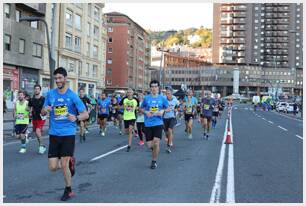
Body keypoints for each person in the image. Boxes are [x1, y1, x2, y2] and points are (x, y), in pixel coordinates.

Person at [41, 67, 88, 201]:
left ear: (65, 79)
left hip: (68, 133)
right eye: (56, 78)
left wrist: (76, 118)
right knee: (53, 167)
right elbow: (43, 112)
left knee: (64, 164)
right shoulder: (50, 94)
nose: (58, 81)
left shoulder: (72, 96)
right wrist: (46, 109)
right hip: (54, 134)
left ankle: (68, 190)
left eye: (60, 78)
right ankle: (71, 163)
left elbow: (85, 114)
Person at [140, 80, 168, 169]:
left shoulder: (162, 98)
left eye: (155, 86)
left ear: (158, 88)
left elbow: (168, 108)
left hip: (158, 123)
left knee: (156, 143)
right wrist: (146, 112)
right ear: (150, 88)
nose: (154, 88)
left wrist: (162, 111)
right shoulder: (146, 98)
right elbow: (140, 108)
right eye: (152, 86)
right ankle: (155, 150)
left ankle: (154, 161)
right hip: (148, 124)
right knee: (149, 145)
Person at [29, 84, 47, 154]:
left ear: (40, 90)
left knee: (37, 131)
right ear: (34, 90)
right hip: (34, 118)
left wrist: (45, 111)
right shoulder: (31, 99)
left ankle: (41, 146)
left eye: (38, 89)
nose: (36, 90)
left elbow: (46, 108)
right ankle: (41, 145)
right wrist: (29, 112)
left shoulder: (43, 99)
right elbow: (30, 108)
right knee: (37, 133)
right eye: (35, 89)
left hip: (41, 118)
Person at [163, 87, 179, 153]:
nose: (167, 95)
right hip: (165, 118)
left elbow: (177, 106)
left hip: (172, 117)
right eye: (166, 93)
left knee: (170, 130)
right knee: (167, 133)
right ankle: (169, 139)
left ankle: (169, 144)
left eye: (169, 93)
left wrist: (176, 109)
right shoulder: (164, 99)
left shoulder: (175, 99)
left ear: (171, 93)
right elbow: (161, 107)